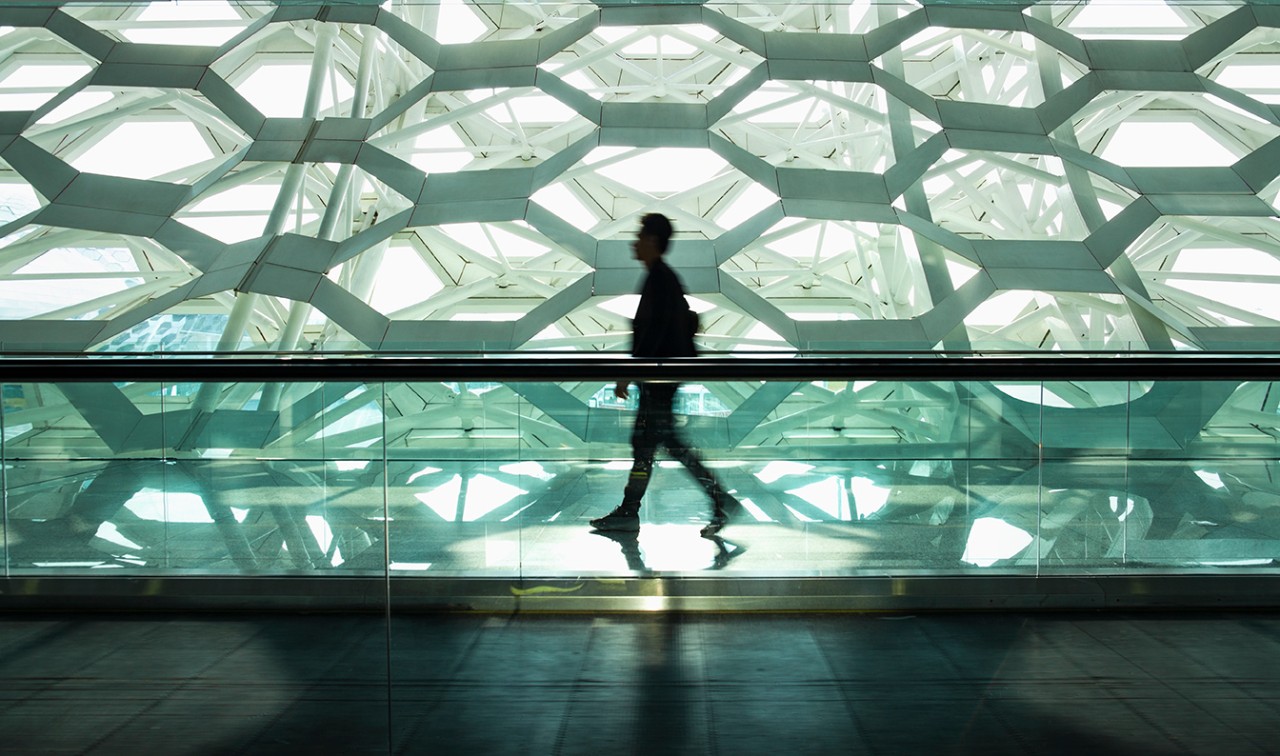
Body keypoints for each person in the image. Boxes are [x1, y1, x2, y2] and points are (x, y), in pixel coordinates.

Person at [590, 213, 738, 537]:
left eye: (640, 235)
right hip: (659, 379)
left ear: (653, 241)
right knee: (658, 445)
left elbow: (653, 334)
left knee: (653, 445)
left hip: (657, 380)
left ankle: (635, 511)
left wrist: (631, 372)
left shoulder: (659, 279)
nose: (635, 242)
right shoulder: (661, 278)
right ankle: (713, 499)